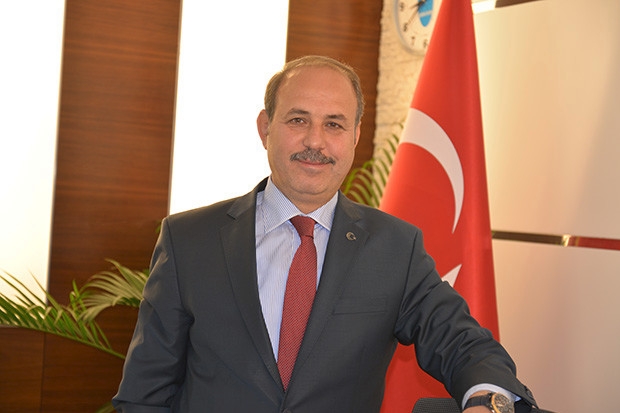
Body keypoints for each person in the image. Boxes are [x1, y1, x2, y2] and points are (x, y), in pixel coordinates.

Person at [112, 55, 538, 413]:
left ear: (355, 136)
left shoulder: (395, 248)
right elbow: (144, 394)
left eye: (334, 124)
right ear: (265, 128)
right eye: (298, 119)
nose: (315, 141)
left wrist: (488, 401)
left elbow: (463, 344)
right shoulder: (188, 240)